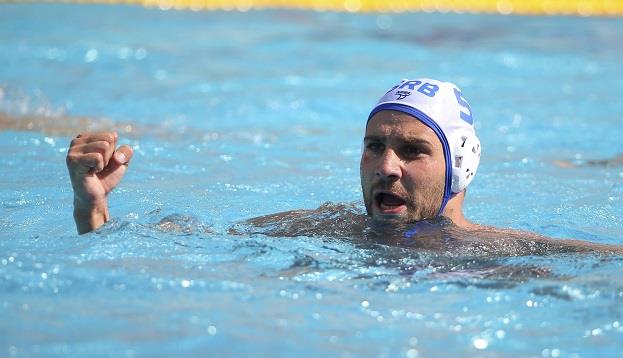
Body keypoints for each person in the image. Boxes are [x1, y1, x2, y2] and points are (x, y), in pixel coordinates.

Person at [66, 78, 622, 255]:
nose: (386, 167)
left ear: (459, 167)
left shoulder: (501, 253)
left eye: (412, 151)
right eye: (374, 146)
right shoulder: (321, 227)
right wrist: (90, 207)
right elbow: (152, 250)